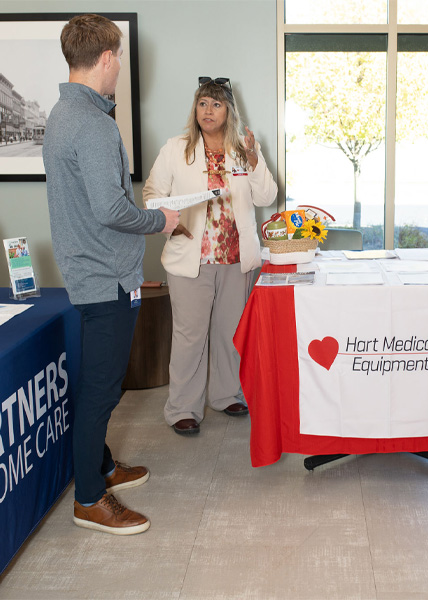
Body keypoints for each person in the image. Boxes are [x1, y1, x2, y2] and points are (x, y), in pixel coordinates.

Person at [43, 14, 179, 535]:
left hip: (92, 270)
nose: (120, 65)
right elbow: (111, 209)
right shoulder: (92, 123)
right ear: (105, 59)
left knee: (98, 384)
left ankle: (101, 467)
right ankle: (90, 500)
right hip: (104, 278)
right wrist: (160, 220)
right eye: (118, 56)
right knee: (101, 392)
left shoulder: (62, 113)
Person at [143, 77, 277, 435]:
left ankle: (225, 394)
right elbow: (153, 193)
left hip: (235, 258)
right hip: (192, 259)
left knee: (230, 333)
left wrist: (254, 160)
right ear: (195, 109)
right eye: (203, 103)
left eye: (216, 104)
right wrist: (169, 224)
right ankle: (183, 408)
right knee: (190, 336)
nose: (208, 110)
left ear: (228, 110)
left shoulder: (244, 149)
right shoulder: (177, 148)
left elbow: (267, 197)